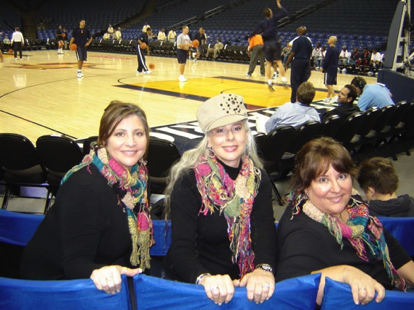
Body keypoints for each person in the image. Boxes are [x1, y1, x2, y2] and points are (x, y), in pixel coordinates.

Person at [21, 101, 154, 294]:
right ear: (104, 139)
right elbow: (74, 263)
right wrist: (103, 272)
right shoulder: (85, 187)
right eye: (120, 134)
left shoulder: (138, 178)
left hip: (105, 264)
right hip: (54, 285)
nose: (131, 142)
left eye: (138, 133)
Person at [163, 93, 276, 305]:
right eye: (220, 131)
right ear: (209, 139)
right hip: (197, 284)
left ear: (246, 133)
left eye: (236, 128)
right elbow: (181, 249)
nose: (230, 138)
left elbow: (265, 233)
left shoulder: (259, 179)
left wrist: (264, 269)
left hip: (244, 283)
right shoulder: (189, 181)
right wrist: (205, 279)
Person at [276, 137, 414, 306]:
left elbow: (393, 252)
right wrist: (344, 273)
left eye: (341, 176)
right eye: (323, 180)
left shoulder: (355, 207)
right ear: (305, 185)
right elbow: (289, 287)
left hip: (393, 295)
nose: (336, 188)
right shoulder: (302, 231)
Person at [249, 0, 288, 91]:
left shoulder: (262, 22)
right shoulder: (274, 19)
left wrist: (249, 36)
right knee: (278, 62)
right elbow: (285, 12)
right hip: (274, 42)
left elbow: (254, 31)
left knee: (269, 63)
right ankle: (284, 80)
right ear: (270, 13)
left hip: (266, 44)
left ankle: (269, 82)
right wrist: (278, 4)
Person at [285, 26, 313, 103]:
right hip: (306, 61)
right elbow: (311, 53)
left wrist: (287, 63)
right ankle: (302, 100)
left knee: (295, 82)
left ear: (299, 32)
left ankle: (294, 100)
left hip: (298, 61)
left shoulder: (297, 40)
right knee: (303, 82)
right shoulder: (309, 41)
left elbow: (292, 53)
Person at [321, 36, 340, 103]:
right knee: (330, 83)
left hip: (329, 68)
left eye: (329, 39)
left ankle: (334, 96)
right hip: (334, 68)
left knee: (327, 83)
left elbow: (327, 60)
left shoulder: (330, 49)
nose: (328, 40)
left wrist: (323, 67)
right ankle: (328, 97)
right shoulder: (336, 50)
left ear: (331, 40)